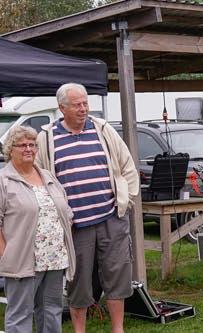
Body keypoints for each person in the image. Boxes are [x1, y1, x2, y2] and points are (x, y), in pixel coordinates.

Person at [35, 83, 139, 333]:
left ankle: (118, 329)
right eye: (77, 105)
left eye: (85, 103)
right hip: (75, 225)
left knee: (117, 275)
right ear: (62, 108)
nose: (83, 109)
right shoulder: (47, 138)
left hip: (111, 218)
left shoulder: (103, 130)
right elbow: (40, 178)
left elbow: (128, 167)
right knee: (78, 281)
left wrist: (126, 200)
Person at [1, 126, 75, 333]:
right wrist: (5, 254)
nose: (28, 149)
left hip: (54, 259)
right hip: (22, 259)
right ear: (10, 149)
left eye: (32, 145)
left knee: (52, 310)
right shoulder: (3, 180)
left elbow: (65, 209)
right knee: (20, 314)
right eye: (22, 145)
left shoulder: (47, 175)